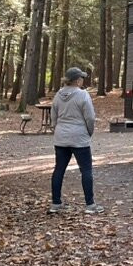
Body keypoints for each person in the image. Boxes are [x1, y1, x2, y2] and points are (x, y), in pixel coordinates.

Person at [49, 67, 103, 214]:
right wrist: (89, 132)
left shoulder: (58, 95)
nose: (82, 80)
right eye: (81, 78)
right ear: (77, 80)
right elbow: (90, 117)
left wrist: (57, 129)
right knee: (86, 170)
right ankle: (90, 205)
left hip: (61, 137)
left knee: (59, 169)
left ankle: (55, 203)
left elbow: (53, 116)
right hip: (79, 137)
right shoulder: (82, 95)